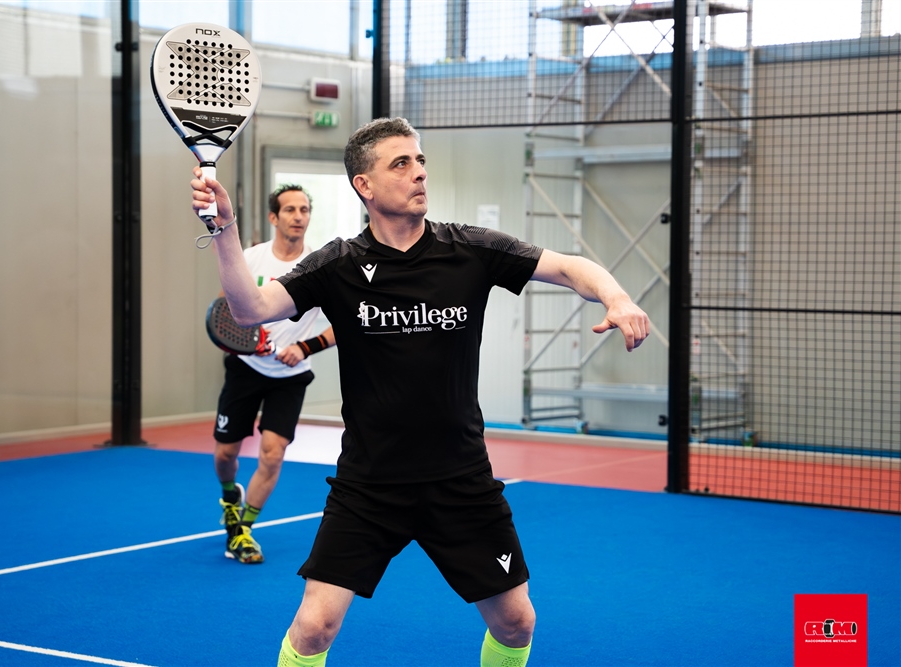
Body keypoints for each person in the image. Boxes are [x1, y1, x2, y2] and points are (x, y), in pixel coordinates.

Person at [191, 117, 650, 666]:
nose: (419, 173)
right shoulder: (337, 264)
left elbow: (570, 268)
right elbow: (251, 309)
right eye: (401, 163)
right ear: (364, 185)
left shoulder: (470, 248)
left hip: (461, 479)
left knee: (516, 621)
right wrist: (225, 230)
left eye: (421, 160)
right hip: (369, 484)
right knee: (313, 627)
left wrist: (617, 298)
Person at [212, 184, 335, 565]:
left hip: (291, 377)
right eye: (290, 210)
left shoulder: (321, 266)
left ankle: (243, 529)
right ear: (273, 217)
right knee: (225, 453)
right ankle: (229, 495)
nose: (299, 216)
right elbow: (225, 314)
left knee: (273, 453)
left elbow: (345, 324)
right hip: (245, 370)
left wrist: (305, 348)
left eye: (304, 209)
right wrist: (246, 343)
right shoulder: (250, 259)